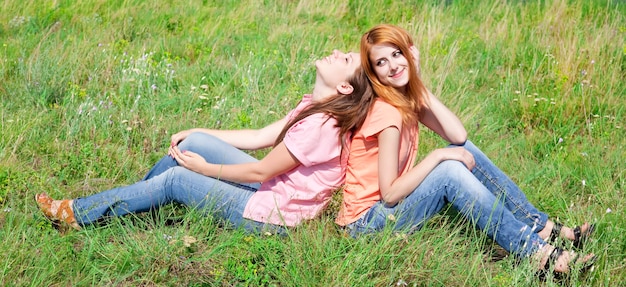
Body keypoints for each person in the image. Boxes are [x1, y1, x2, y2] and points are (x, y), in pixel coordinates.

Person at [336, 24, 595, 277]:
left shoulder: (404, 100)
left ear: (409, 53)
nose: (393, 65)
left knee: (461, 149)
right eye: (381, 62)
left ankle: (543, 228)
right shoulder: (387, 113)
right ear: (374, 74)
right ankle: (537, 252)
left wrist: (416, 81)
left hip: (382, 212)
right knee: (449, 170)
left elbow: (458, 136)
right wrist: (437, 155)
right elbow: (390, 193)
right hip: (366, 224)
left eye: (397, 54)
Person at [36, 49, 373, 234]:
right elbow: (260, 137)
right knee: (193, 142)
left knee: (179, 178)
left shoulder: (322, 126)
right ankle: (132, 205)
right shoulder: (314, 107)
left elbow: (260, 172)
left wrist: (206, 169)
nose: (336, 52)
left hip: (275, 217)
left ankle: (75, 213)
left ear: (345, 88)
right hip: (272, 190)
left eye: (345, 60)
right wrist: (200, 132)